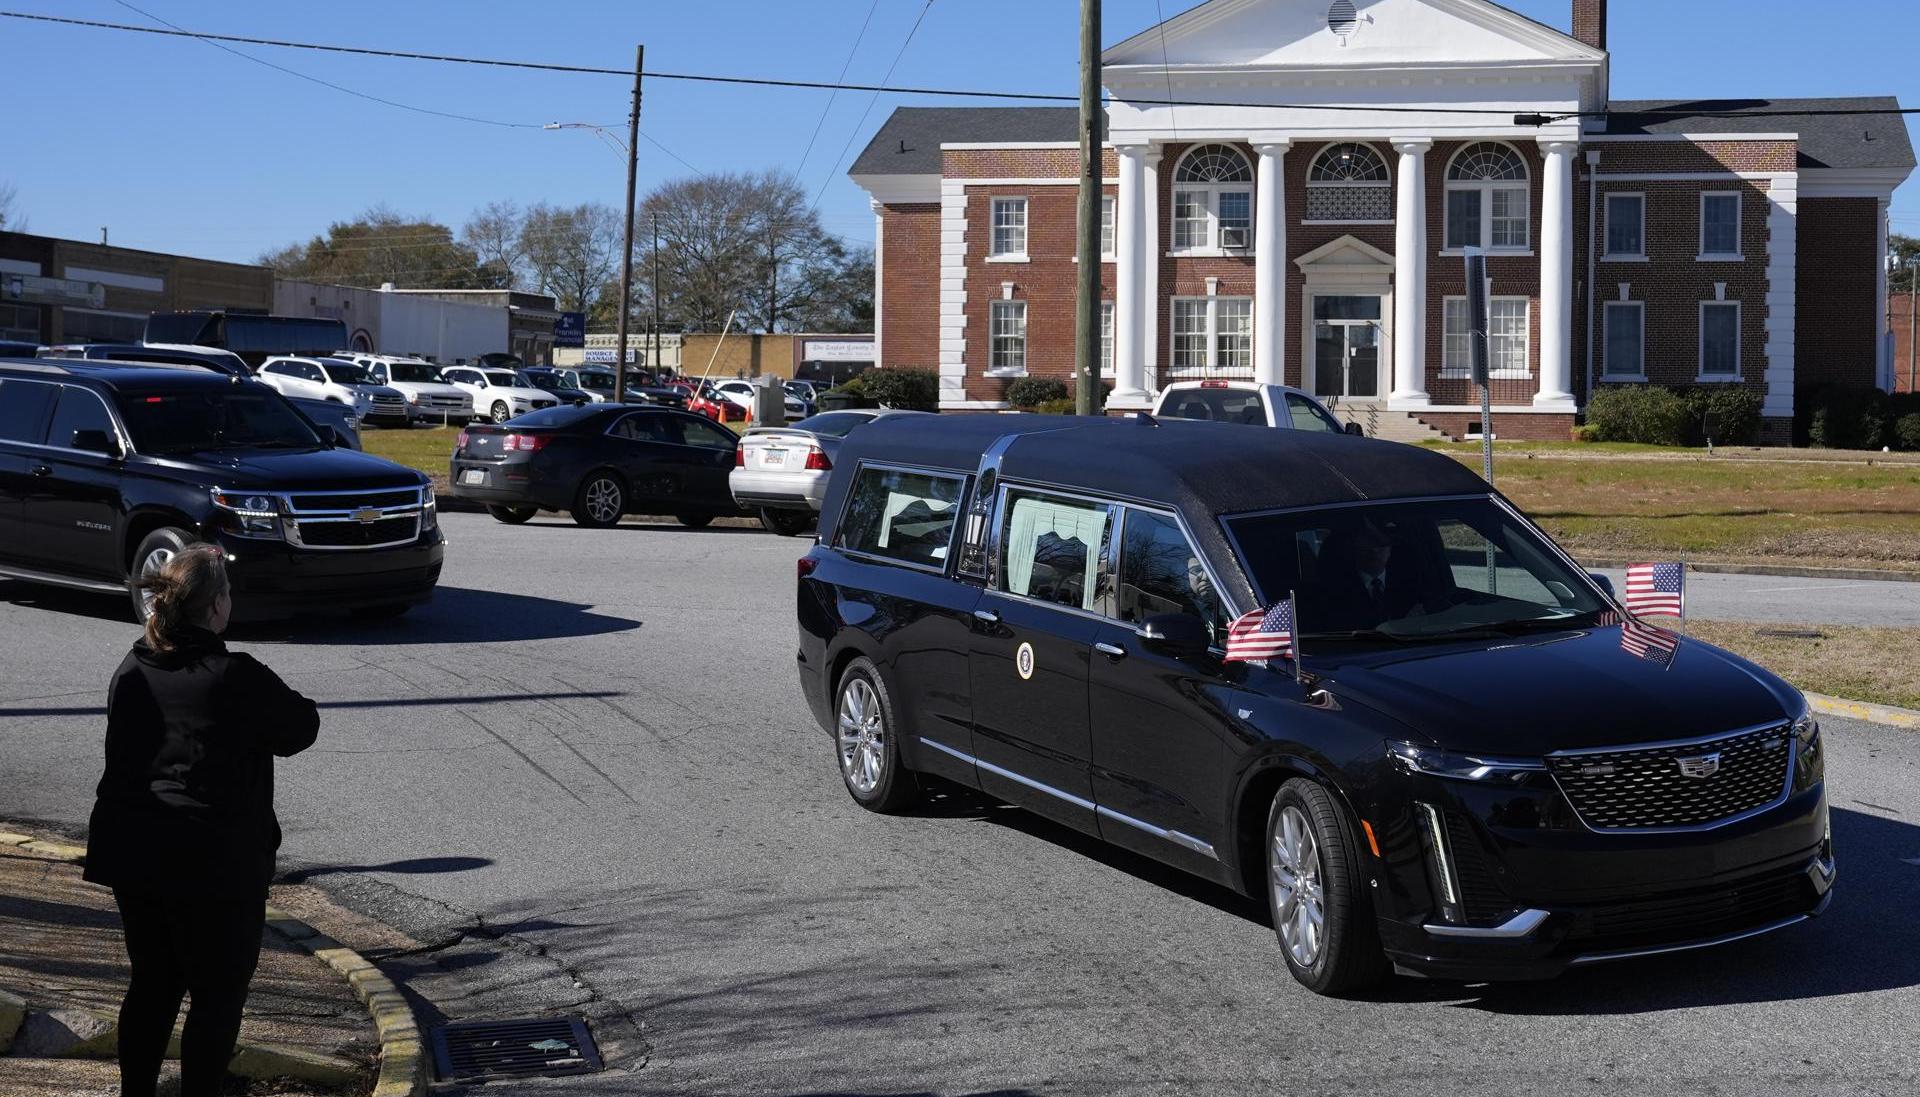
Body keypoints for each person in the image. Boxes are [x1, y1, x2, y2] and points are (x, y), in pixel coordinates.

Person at [82, 544, 318, 1097]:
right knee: (216, 995)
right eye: (227, 593)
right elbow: (300, 727)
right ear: (214, 607)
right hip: (213, 863)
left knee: (154, 983)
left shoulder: (134, 663)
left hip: (136, 853)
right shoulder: (231, 674)